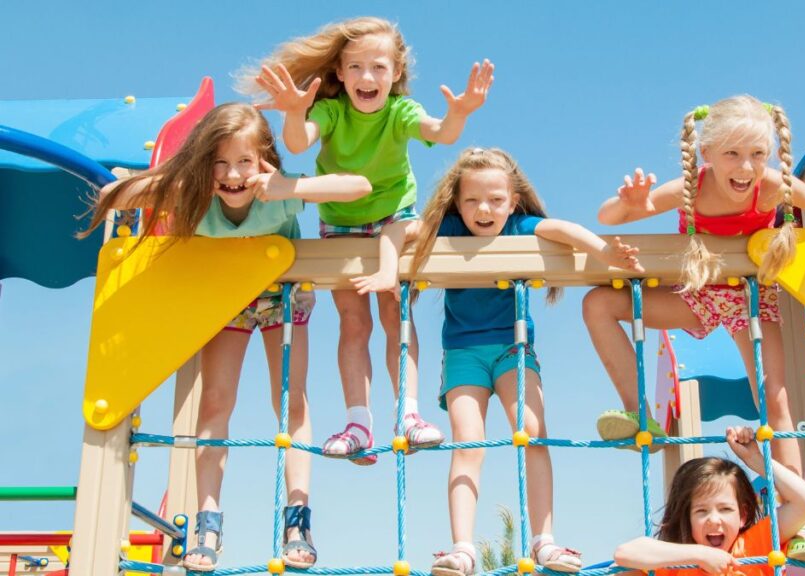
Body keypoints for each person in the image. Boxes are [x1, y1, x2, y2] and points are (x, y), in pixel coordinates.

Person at [80, 103, 373, 571]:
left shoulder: (277, 191)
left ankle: (297, 518)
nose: (233, 175)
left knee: (291, 401)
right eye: (219, 163)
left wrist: (284, 184)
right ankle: (208, 519)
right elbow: (116, 195)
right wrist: (155, 182)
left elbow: (358, 186)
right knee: (215, 401)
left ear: (263, 162)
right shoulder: (193, 193)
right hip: (224, 300)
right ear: (203, 164)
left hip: (283, 293)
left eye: (244, 162)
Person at [584, 95, 805, 560]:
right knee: (598, 303)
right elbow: (607, 217)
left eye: (757, 154)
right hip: (696, 294)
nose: (746, 167)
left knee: (776, 402)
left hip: (750, 302)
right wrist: (629, 203)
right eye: (733, 154)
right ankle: (639, 412)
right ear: (708, 154)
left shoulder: (772, 185)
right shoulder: (692, 187)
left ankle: (795, 525)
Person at [243, 17, 495, 462]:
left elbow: (440, 132)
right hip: (340, 223)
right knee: (353, 322)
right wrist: (294, 110)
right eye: (355, 67)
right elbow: (299, 144)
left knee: (396, 312)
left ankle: (409, 414)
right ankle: (358, 421)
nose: (367, 77)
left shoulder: (400, 112)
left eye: (378, 67)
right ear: (339, 73)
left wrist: (460, 112)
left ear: (396, 73)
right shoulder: (333, 111)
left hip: (394, 219)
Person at [410, 148, 643, 576]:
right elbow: (410, 231)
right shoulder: (447, 229)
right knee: (469, 442)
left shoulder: (520, 226)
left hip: (512, 350)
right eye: (472, 200)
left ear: (513, 201)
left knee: (533, 432)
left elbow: (562, 228)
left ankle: (544, 541)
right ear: (457, 203)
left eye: (496, 200)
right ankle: (462, 547)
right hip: (462, 353)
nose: (484, 209)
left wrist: (603, 252)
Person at [614, 427, 805, 576]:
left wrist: (756, 460)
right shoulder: (678, 564)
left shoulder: (752, 547)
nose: (714, 520)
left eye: (725, 509)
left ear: (743, 515)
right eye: (701, 511)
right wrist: (700, 554)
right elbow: (625, 553)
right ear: (688, 518)